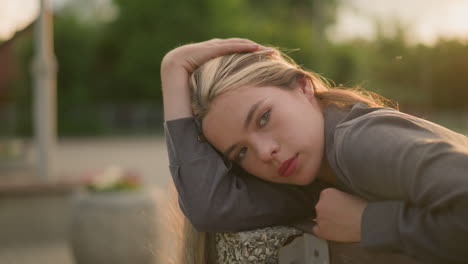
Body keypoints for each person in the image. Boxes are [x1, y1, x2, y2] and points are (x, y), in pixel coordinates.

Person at [161, 38, 468, 264]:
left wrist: (368, 222)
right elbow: (210, 207)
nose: (266, 152)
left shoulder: (357, 141)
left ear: (303, 87)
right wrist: (173, 70)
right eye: (241, 153)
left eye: (264, 118)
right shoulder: (312, 180)